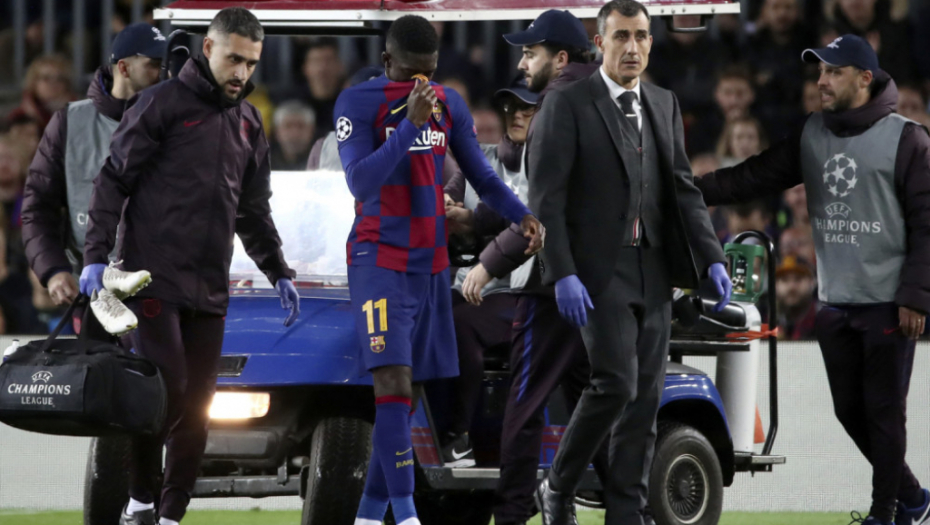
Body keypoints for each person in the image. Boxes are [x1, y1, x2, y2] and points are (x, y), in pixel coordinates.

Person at [694, 34, 930, 525]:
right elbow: (752, 176)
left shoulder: (908, 139)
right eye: (820, 71)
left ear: (864, 78)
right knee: (850, 412)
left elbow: (928, 224)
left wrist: (916, 296)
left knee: (885, 415)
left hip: (888, 303)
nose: (821, 81)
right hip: (835, 301)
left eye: (833, 72)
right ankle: (913, 498)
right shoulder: (812, 132)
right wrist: (688, 191)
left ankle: (886, 513)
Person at [79, 9, 301, 525]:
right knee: (169, 390)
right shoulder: (160, 104)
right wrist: (94, 257)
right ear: (207, 48)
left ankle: (169, 517)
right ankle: (140, 499)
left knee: (199, 408)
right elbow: (113, 180)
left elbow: (252, 210)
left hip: (210, 286)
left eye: (251, 63)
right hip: (151, 278)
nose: (241, 73)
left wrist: (278, 270)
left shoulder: (249, 123)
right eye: (234, 59)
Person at [333, 15, 543, 525]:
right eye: (411, 74)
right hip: (379, 259)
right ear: (387, 62)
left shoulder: (448, 104)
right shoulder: (357, 103)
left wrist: (521, 215)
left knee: (406, 397)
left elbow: (482, 176)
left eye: (428, 73)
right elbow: (361, 182)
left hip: (430, 265)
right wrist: (409, 123)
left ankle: (368, 516)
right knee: (392, 383)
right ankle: (407, 516)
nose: (420, 84)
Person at [528, 2, 731, 524]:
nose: (633, 47)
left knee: (645, 399)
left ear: (651, 43)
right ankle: (558, 484)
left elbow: (683, 188)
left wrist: (711, 256)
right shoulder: (567, 103)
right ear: (600, 43)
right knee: (616, 382)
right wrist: (562, 271)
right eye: (621, 36)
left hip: (655, 269)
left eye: (641, 36)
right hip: (598, 271)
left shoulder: (663, 102)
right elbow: (546, 199)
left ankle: (627, 512)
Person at [22, 22, 166, 338]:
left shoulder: (176, 123)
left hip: (165, 292)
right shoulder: (70, 123)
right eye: (154, 64)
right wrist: (54, 270)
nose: (164, 73)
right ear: (124, 68)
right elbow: (37, 207)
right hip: (94, 295)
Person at [441, 82, 539, 468]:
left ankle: (459, 435)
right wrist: (445, 202)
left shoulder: (547, 163)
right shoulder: (481, 158)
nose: (516, 115)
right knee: (424, 313)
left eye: (527, 109)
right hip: (471, 282)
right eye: (511, 107)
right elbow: (453, 189)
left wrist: (472, 218)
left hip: (523, 289)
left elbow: (523, 213)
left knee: (460, 323)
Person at [774, 255, 818, 340]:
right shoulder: (762, 320)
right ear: (775, 285)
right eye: (784, 280)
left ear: (812, 282)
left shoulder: (823, 321)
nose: (792, 287)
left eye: (798, 279)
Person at [270, 100, 316, 170]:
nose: (295, 134)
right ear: (276, 131)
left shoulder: (324, 161)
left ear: (312, 131)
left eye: (301, 126)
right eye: (288, 126)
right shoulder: (262, 162)